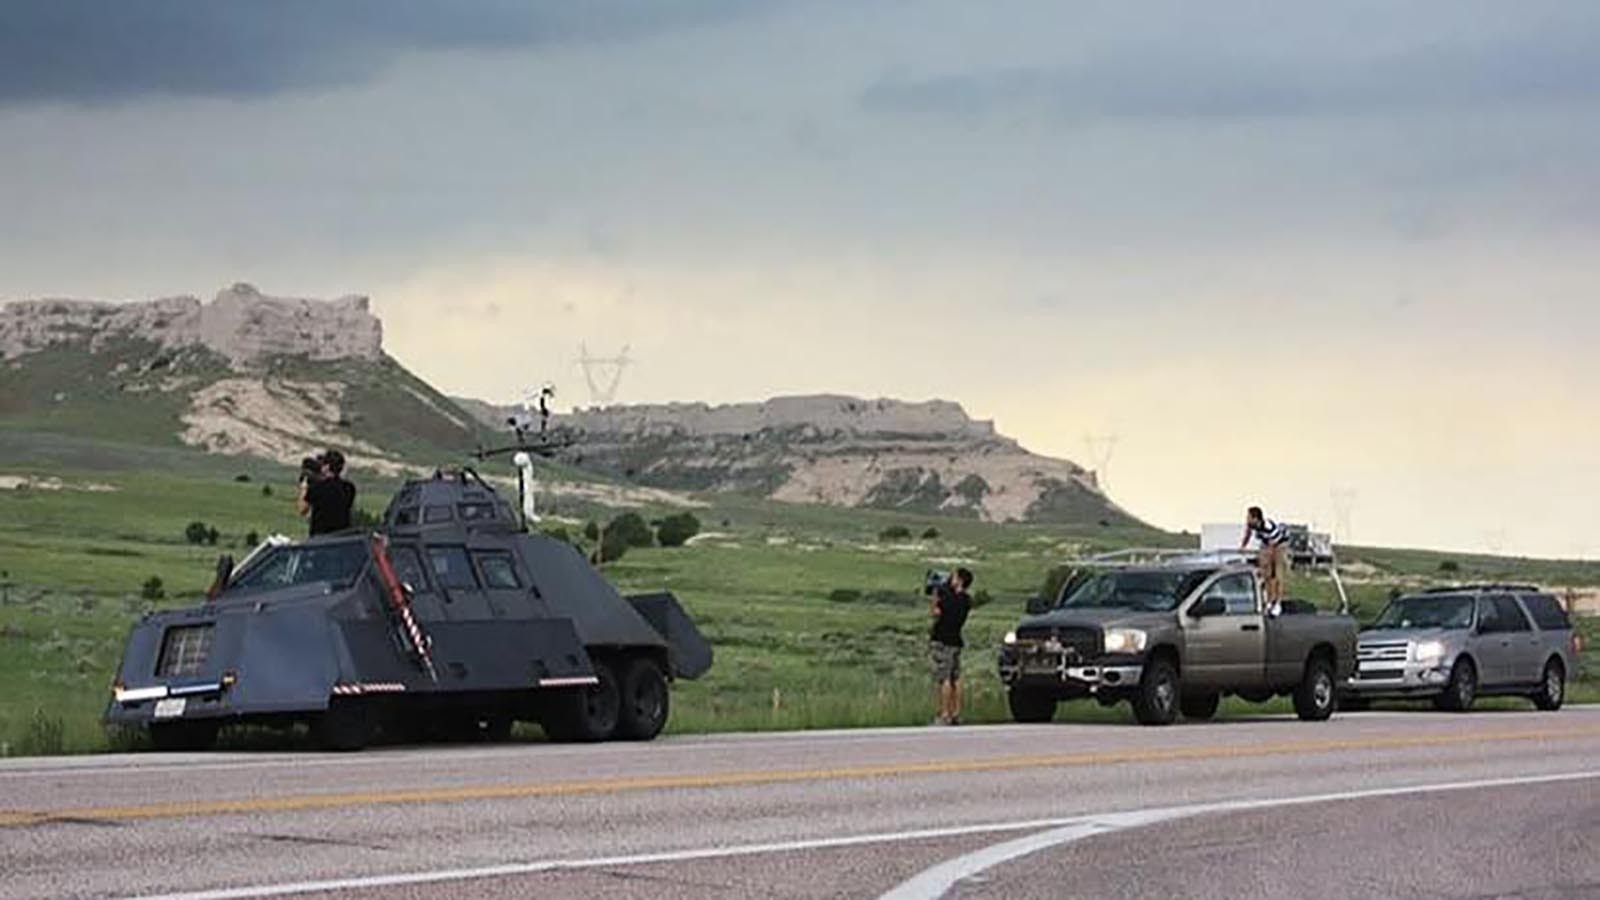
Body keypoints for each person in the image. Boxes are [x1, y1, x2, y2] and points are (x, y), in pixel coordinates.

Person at [929, 567, 974, 726]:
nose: (950, 579)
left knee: (944, 678)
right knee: (956, 678)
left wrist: (935, 595)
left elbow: (935, 612)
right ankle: (956, 713)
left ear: (960, 580)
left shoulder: (948, 599)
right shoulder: (966, 600)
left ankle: (944, 714)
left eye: (954, 577)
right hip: (956, 639)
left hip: (943, 639)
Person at [1241, 506, 1290, 614]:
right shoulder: (1251, 525)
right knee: (1266, 574)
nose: (1247, 519)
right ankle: (1269, 600)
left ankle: (1278, 603)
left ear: (1256, 518)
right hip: (1267, 542)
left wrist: (1269, 561)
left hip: (1280, 542)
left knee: (1276, 574)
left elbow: (1274, 544)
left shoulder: (1268, 526)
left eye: (1249, 517)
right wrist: (1243, 547)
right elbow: (1247, 534)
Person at [297, 449, 356, 536]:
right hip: (342, 538)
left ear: (326, 467)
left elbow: (302, 509)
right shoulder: (349, 488)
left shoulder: (318, 487)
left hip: (320, 539)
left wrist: (304, 488)